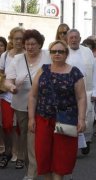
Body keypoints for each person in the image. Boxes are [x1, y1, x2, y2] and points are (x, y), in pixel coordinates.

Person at [28, 40, 86, 180]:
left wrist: (81, 119)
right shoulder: (43, 69)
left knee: (62, 157)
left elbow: (81, 98)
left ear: (66, 54)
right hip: (43, 119)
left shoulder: (74, 72)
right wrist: (31, 118)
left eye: (61, 51)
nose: (57, 54)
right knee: (43, 155)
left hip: (65, 120)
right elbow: (33, 95)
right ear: (50, 54)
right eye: (54, 51)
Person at [5, 29, 51, 178]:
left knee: (38, 136)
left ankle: (35, 171)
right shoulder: (17, 59)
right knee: (26, 136)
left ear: (40, 44)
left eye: (33, 44)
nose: (30, 47)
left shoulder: (48, 56)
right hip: (21, 103)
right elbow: (8, 80)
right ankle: (30, 167)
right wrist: (11, 87)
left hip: (44, 103)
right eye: (27, 44)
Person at [66, 29, 96, 155]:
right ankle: (72, 144)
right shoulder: (63, 51)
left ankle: (86, 140)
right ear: (67, 39)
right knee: (71, 119)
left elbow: (95, 71)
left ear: (80, 39)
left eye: (76, 37)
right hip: (69, 92)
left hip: (87, 90)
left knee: (87, 118)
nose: (74, 40)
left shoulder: (87, 51)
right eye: (71, 37)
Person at [0, 27, 25, 169]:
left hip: (22, 95)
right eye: (16, 38)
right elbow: (1, 73)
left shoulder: (27, 54)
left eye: (21, 39)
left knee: (21, 128)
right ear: (11, 39)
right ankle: (8, 152)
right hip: (6, 94)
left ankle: (21, 155)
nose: (18, 41)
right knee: (7, 125)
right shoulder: (4, 56)